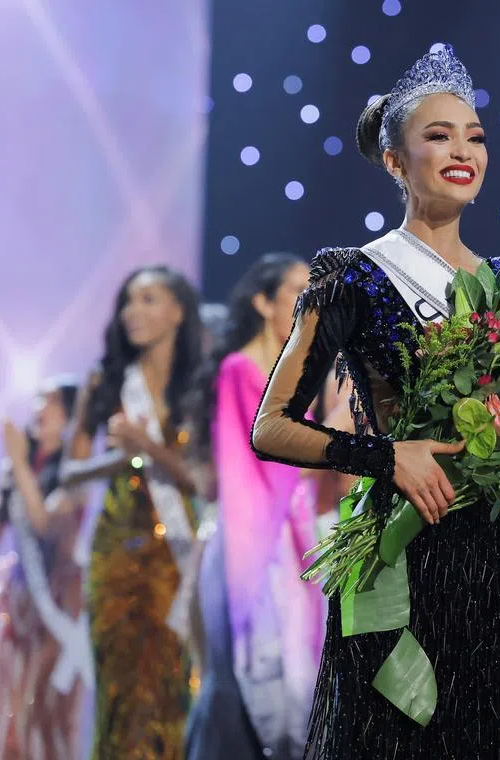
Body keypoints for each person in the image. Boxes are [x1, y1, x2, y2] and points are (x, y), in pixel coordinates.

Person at [250, 45, 500, 759]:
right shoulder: (352, 276)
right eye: (438, 136)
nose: (461, 150)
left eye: (474, 137)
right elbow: (271, 426)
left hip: (493, 570)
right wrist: (387, 455)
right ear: (394, 161)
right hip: (398, 559)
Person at [185, 253, 330, 759]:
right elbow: (260, 463)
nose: (307, 301)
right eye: (295, 290)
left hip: (294, 541)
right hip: (250, 543)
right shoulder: (240, 369)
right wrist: (342, 448)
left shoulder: (299, 374)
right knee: (239, 687)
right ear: (263, 303)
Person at [62, 266, 202, 759]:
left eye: (147, 299)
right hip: (117, 551)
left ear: (178, 312)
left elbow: (204, 479)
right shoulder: (106, 381)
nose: (132, 312)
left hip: (179, 554)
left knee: (174, 681)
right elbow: (69, 473)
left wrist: (147, 447)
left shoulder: (198, 386)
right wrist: (121, 457)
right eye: (128, 301)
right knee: (120, 685)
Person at [0, 377, 90, 760]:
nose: (39, 410)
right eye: (37, 402)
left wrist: (19, 465)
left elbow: (47, 523)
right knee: (10, 712)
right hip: (19, 607)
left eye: (51, 403)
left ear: (69, 417)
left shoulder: (74, 471)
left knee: (43, 714)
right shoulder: (18, 468)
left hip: (58, 607)